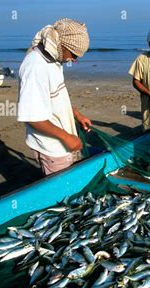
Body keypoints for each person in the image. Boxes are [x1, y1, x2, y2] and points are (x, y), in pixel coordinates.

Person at [17, 18, 92, 176]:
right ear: (62, 45)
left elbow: (55, 99)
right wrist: (67, 138)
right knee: (63, 189)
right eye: (74, 55)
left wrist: (76, 114)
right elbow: (32, 117)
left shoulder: (54, 58)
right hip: (52, 147)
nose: (74, 60)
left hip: (62, 142)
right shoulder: (35, 67)